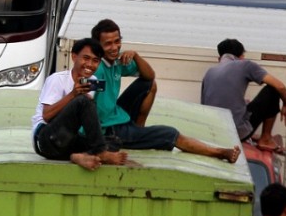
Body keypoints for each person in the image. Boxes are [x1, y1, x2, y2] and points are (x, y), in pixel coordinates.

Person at [91, 20, 241, 163]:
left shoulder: (116, 62)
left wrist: (135, 56)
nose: (114, 47)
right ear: (98, 46)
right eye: (108, 44)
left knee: (148, 83)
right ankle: (219, 152)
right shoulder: (97, 70)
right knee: (170, 133)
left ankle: (139, 129)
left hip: (117, 116)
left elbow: (150, 75)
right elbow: (86, 101)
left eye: (117, 41)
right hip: (109, 129)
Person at [31, 38, 128, 170]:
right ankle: (99, 152)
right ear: (74, 56)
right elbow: (46, 116)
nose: (89, 64)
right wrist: (73, 95)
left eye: (95, 61)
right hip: (45, 139)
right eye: (86, 58)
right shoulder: (57, 79)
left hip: (66, 140)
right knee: (83, 101)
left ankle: (76, 156)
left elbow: (82, 119)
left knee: (114, 142)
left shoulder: (91, 81)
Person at [201, 39, 286, 152]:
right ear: (241, 57)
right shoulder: (245, 65)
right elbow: (279, 86)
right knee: (272, 90)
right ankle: (266, 139)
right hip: (235, 134)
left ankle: (251, 133)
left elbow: (205, 105)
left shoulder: (209, 72)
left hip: (212, 133)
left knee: (246, 103)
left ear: (219, 58)